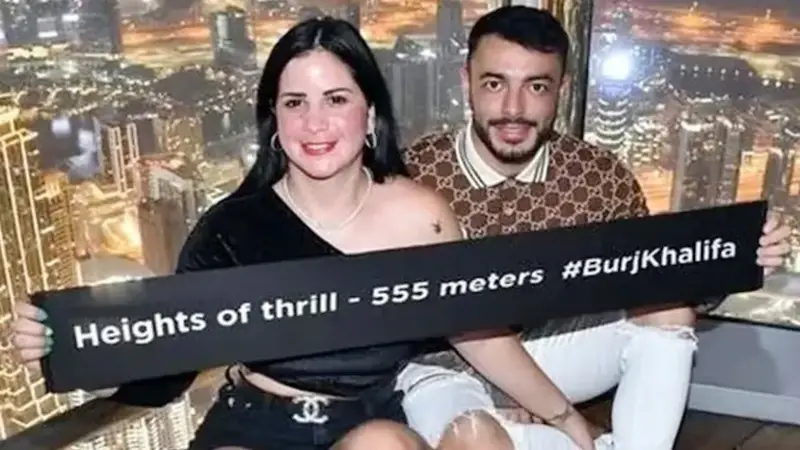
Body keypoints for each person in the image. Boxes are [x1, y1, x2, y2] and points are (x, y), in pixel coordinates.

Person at [10, 16, 641, 450]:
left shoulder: (421, 216)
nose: (315, 123)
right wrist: (69, 348)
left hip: (368, 423)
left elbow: (477, 331)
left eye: (336, 99)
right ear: (274, 120)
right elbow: (169, 366)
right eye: (295, 103)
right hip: (255, 427)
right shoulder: (233, 229)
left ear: (369, 113)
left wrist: (566, 417)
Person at [397, 6, 793, 450]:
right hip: (445, 367)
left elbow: (658, 272)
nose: (513, 108)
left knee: (667, 312)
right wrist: (526, 396)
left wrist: (739, 256)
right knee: (474, 439)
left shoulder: (596, 176)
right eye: (495, 84)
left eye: (536, 86)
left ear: (562, 90)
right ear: (465, 81)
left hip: (551, 351)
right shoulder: (414, 174)